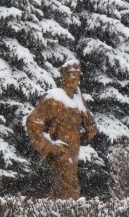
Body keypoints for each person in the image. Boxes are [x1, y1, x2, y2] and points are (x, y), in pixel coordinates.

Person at [25, 59, 99, 199]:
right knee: (68, 191)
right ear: (63, 76)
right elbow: (33, 122)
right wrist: (50, 145)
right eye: (71, 74)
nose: (74, 79)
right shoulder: (54, 98)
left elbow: (86, 132)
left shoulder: (77, 100)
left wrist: (87, 134)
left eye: (77, 76)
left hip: (73, 153)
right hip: (60, 155)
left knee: (66, 192)